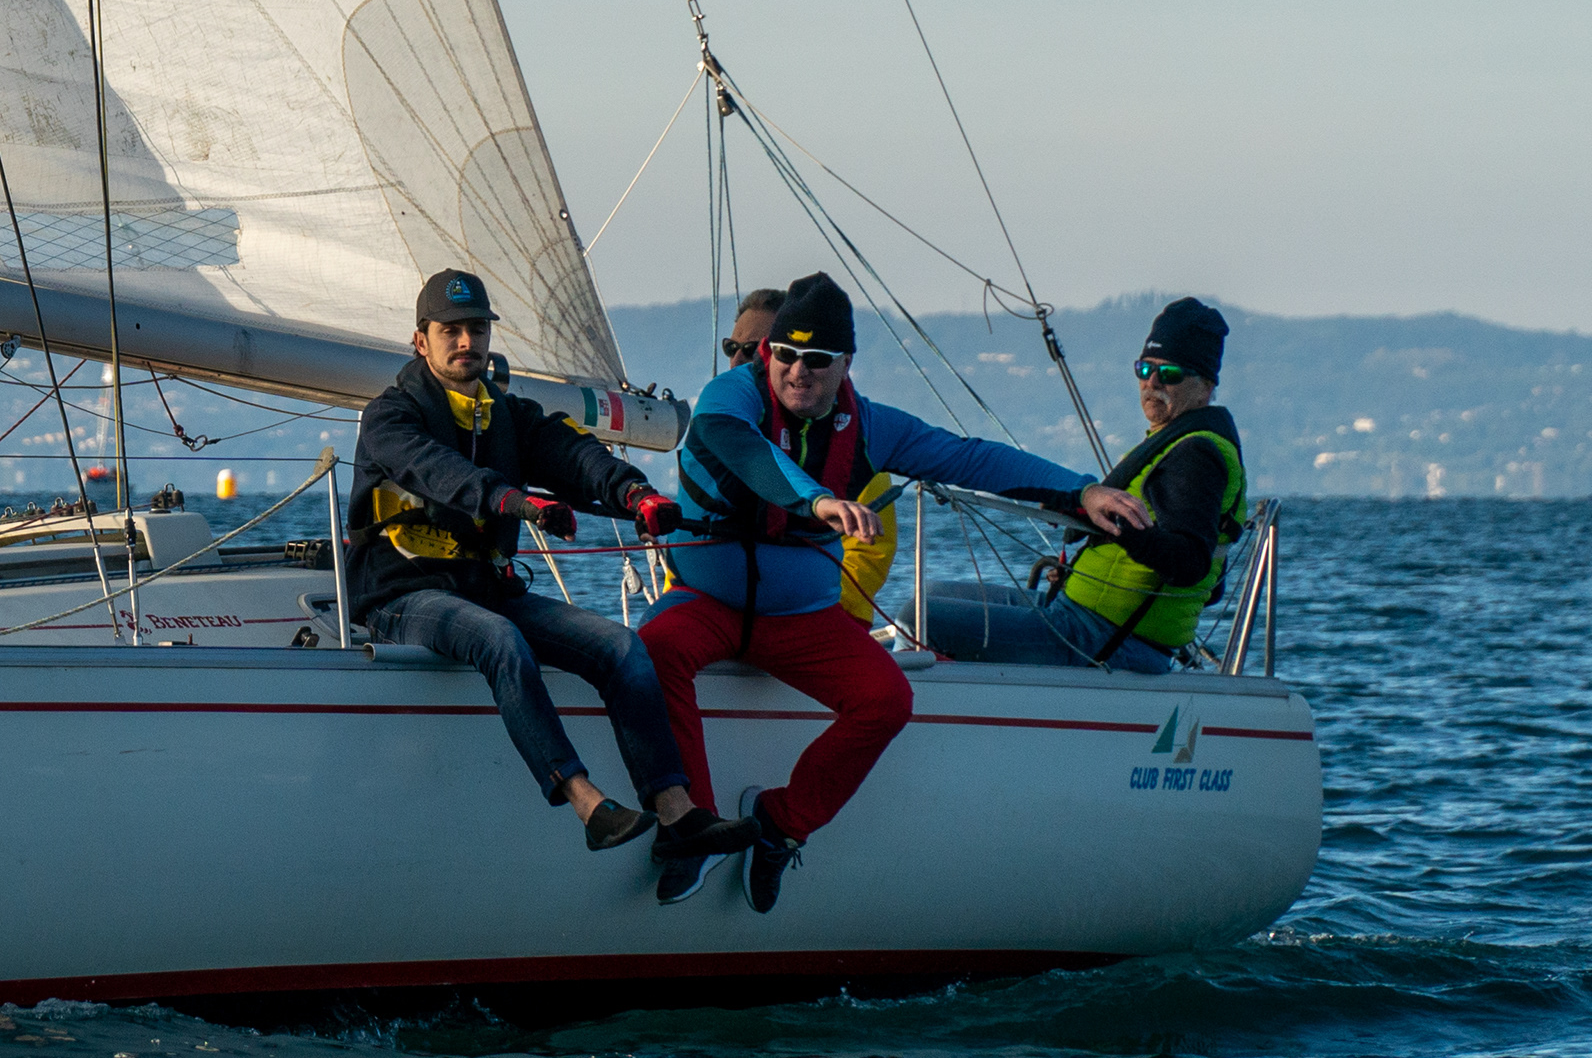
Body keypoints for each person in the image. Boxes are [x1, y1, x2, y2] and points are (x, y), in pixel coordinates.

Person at [643, 275, 1150, 910]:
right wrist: (819, 501)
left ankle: (780, 826)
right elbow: (747, 455)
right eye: (785, 354)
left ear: (845, 364)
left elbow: (970, 458)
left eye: (816, 359)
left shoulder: (871, 427)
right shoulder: (729, 398)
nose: (797, 371)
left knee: (886, 699)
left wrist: (1081, 492)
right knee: (652, 650)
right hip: (707, 604)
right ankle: (692, 828)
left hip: (799, 619)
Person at [349, 269, 747, 872]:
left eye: (476, 328)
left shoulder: (505, 414)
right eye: (451, 330)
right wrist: (517, 502)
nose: (466, 341)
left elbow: (573, 454)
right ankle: (588, 806)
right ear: (420, 340)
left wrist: (635, 494)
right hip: (400, 594)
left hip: (484, 587)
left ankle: (676, 815)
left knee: (623, 648)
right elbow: (437, 471)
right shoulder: (389, 417)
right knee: (499, 639)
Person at [919, 297, 1248, 676]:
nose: (1152, 382)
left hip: (1104, 638)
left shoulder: (1196, 454)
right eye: (1144, 369)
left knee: (921, 617)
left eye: (1169, 373)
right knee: (931, 595)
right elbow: (1208, 583)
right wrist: (1083, 515)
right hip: (1081, 615)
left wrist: (1115, 525)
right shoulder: (1178, 443)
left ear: (1205, 386)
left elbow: (1190, 563)